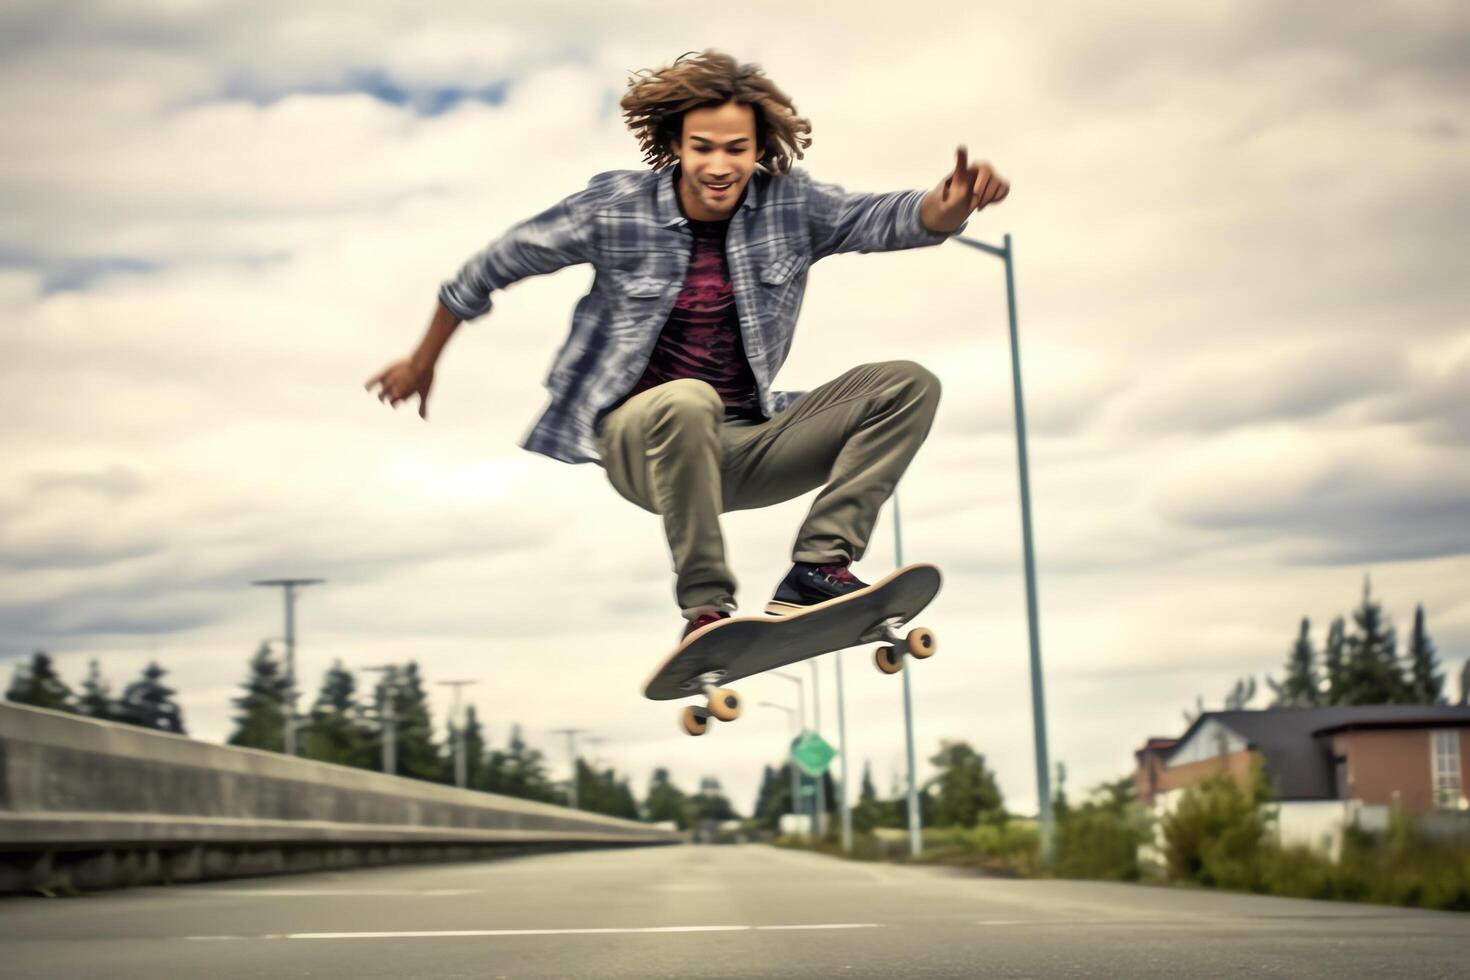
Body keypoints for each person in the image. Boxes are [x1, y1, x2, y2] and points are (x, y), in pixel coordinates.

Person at [367, 49, 1009, 645]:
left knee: (905, 384)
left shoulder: (792, 206)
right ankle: (705, 609)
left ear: (759, 150)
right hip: (640, 442)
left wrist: (947, 208)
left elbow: (884, 218)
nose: (720, 166)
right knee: (688, 400)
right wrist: (423, 359)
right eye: (703, 148)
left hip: (743, 442)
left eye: (737, 149)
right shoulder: (616, 208)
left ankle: (817, 571)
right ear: (675, 146)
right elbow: (491, 266)